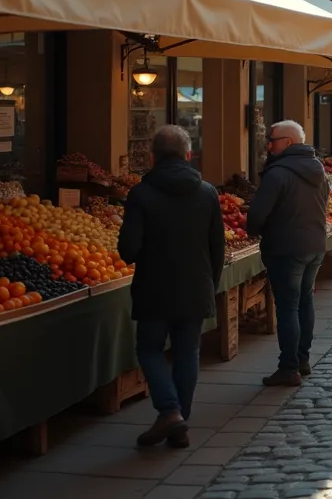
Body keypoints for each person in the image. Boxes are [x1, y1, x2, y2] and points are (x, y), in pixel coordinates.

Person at [117, 126, 224, 448]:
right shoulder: (207, 192)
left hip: (154, 287)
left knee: (149, 349)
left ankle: (169, 411)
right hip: (195, 285)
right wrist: (210, 284)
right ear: (188, 155)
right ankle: (180, 423)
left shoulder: (141, 193)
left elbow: (128, 250)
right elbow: (217, 247)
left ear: (152, 157)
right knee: (187, 352)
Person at [246, 120, 329, 387]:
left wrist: (257, 229)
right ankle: (302, 359)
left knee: (288, 306)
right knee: (304, 301)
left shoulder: (278, 173)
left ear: (289, 142)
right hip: (314, 244)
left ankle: (289, 367)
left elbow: (256, 215)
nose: (268, 145)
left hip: (285, 248)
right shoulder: (318, 169)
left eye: (272, 140)